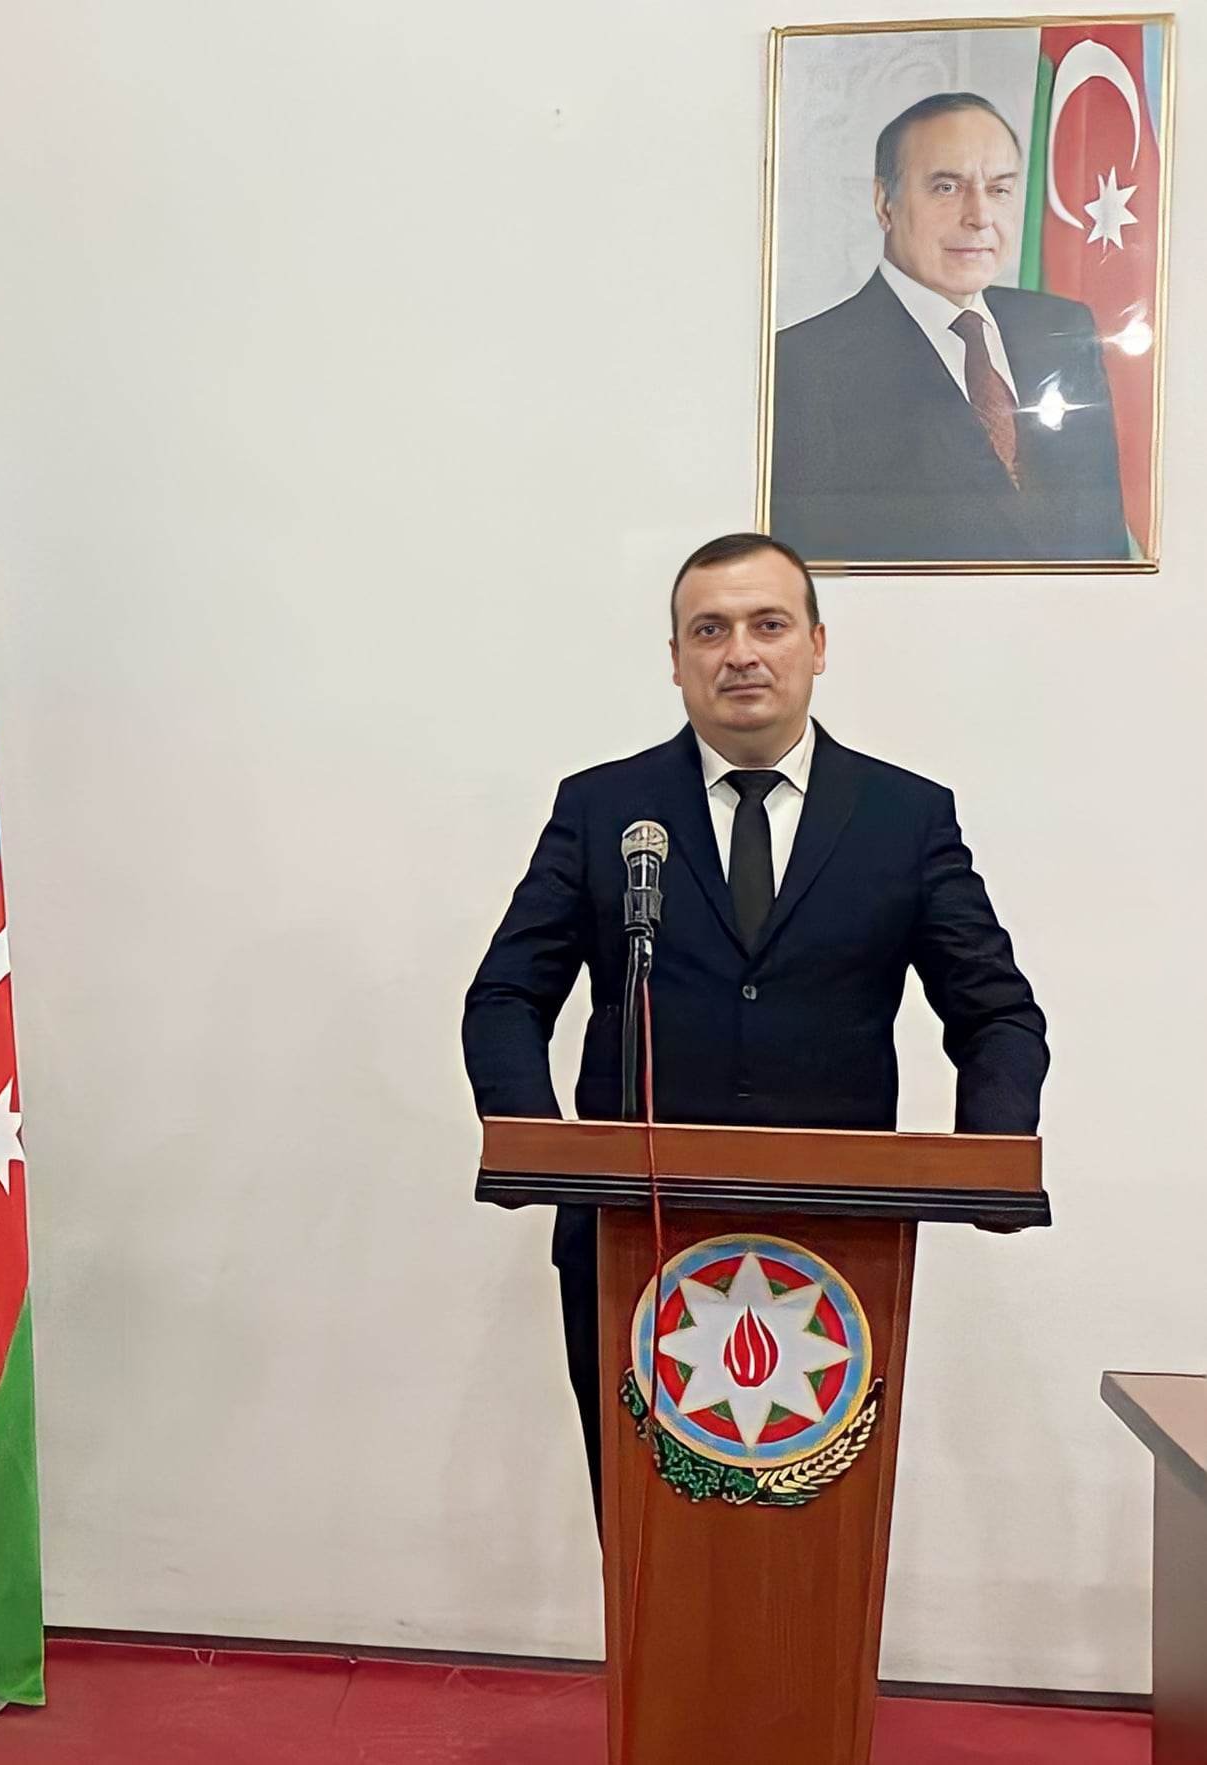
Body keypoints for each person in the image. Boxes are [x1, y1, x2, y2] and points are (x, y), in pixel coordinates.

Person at [461, 532, 1048, 1519]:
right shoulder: (604, 809)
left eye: (767, 624)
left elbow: (995, 1011)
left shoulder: (903, 817)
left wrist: (990, 1152)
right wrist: (536, 1145)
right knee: (648, 1529)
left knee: (811, 1539)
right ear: (675, 659)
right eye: (709, 630)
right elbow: (505, 996)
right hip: (630, 1237)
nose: (739, 652)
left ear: (816, 644)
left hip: (833, 1246)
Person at [770, 91, 1126, 563]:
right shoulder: (803, 366)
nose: (979, 217)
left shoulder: (1063, 329)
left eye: (999, 189)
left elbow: (1104, 541)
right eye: (946, 187)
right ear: (885, 203)